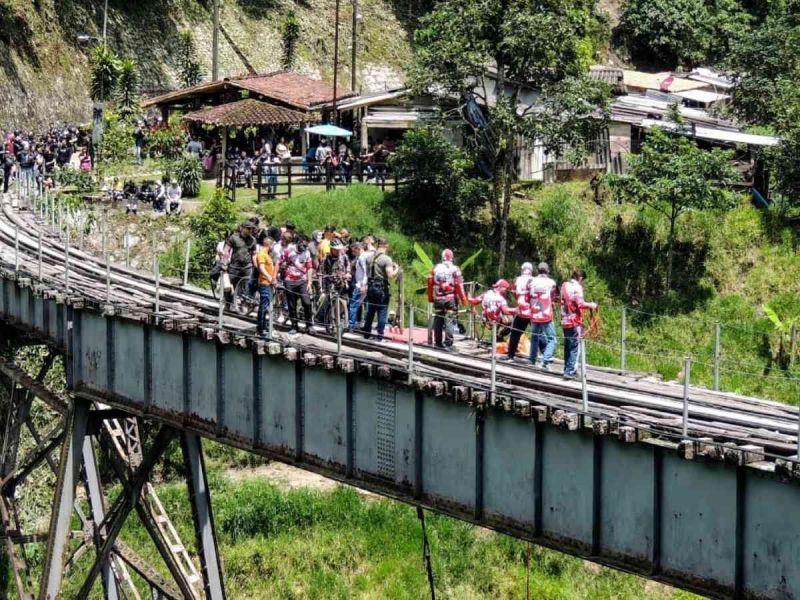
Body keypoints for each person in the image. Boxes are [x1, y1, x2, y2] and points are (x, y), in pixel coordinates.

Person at [560, 269, 597, 379]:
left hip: (564, 320)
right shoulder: (577, 287)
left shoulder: (564, 285)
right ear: (580, 278)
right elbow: (580, 304)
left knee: (567, 346)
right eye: (583, 281)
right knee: (575, 347)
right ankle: (570, 371)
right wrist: (592, 305)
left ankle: (567, 368)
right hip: (574, 321)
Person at [428, 249, 467, 349]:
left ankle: (437, 342)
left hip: (438, 298)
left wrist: (430, 298)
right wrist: (463, 299)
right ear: (452, 258)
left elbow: (430, 283)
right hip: (450, 298)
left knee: (438, 319)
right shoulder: (455, 269)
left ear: (442, 257)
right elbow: (459, 285)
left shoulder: (435, 268)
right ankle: (448, 343)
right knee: (449, 319)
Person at [362, 239, 397, 341]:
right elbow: (390, 275)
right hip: (381, 288)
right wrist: (396, 269)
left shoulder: (369, 258)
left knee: (370, 311)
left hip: (371, 286)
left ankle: (366, 333)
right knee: (382, 311)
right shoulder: (386, 259)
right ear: (386, 246)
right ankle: (380, 335)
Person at [280, 235, 314, 335]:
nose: (303, 247)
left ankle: (309, 325)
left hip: (302, 281)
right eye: (302, 245)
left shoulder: (307, 252)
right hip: (289, 280)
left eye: (305, 245)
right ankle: (294, 326)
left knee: (307, 302)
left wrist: (310, 282)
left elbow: (309, 267)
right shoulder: (288, 251)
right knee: (292, 304)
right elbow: (280, 262)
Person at [528, 262, 558, 370]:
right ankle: (544, 362)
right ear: (547, 270)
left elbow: (528, 294)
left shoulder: (531, 281)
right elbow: (553, 296)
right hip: (546, 314)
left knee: (534, 337)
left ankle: (532, 359)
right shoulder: (551, 282)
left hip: (535, 313)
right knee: (552, 339)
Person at [505, 262, 534, 361]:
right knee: (538, 333)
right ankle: (545, 357)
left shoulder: (517, 280)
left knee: (515, 333)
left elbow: (515, 293)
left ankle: (510, 356)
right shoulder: (533, 280)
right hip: (532, 311)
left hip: (522, 310)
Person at [255, 233, 276, 336]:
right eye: (273, 246)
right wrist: (269, 278)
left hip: (268, 283)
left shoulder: (267, 255)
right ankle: (260, 328)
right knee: (263, 306)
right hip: (264, 283)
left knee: (265, 305)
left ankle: (263, 326)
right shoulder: (262, 254)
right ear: (269, 245)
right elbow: (262, 268)